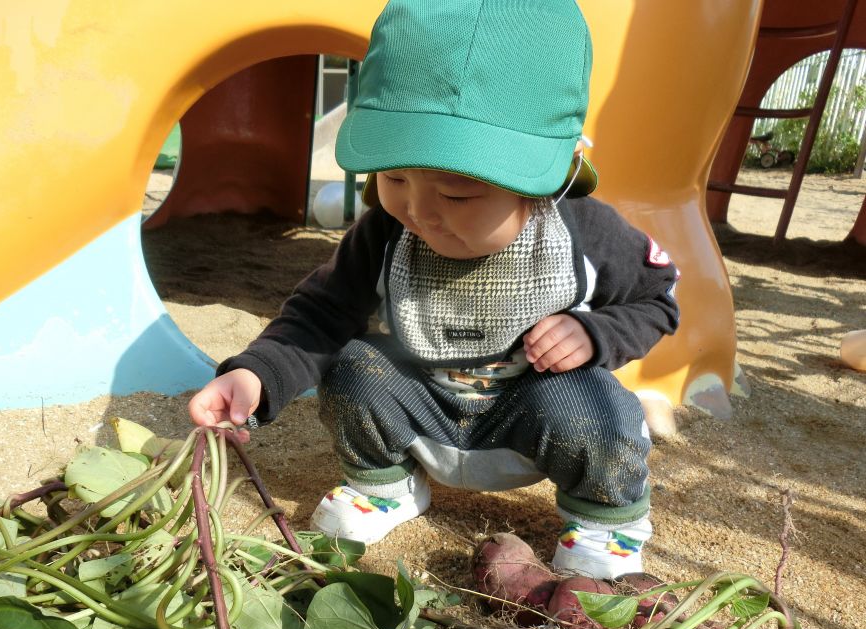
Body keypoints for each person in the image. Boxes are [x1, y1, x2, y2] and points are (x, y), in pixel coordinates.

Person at [189, 0, 679, 579]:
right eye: (394, 178)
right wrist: (256, 375)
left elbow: (657, 301)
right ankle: (386, 485)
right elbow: (320, 314)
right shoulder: (387, 232)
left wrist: (597, 332)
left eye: (457, 195)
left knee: (601, 409)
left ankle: (606, 522)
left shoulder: (586, 235)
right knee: (356, 367)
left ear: (549, 177)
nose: (418, 211)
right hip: (422, 410)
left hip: (533, 412)